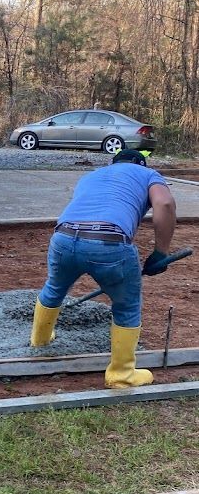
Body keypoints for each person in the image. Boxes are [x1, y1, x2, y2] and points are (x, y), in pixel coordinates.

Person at [30, 149, 177, 388]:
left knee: (55, 286)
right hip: (108, 243)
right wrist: (161, 252)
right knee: (127, 305)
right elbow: (165, 203)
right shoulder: (148, 174)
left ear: (113, 163)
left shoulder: (93, 175)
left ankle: (40, 341)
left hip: (64, 237)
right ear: (141, 163)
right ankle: (121, 375)